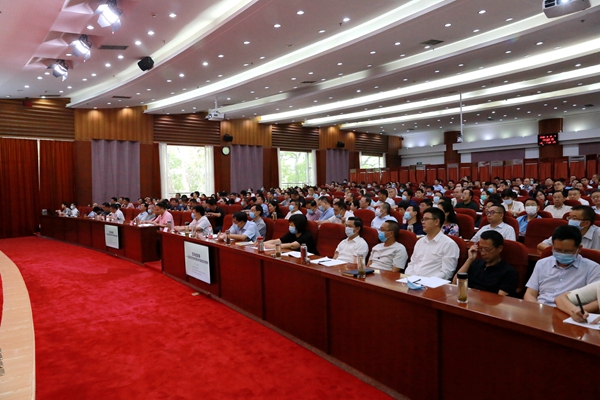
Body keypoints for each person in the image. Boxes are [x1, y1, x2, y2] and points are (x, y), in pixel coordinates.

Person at [525, 225, 600, 306]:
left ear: (579, 248)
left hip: (570, 310)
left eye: (568, 251)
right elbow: (530, 293)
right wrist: (535, 308)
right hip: (541, 307)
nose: (562, 254)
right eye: (558, 250)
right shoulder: (542, 263)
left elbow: (597, 301)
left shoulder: (593, 268)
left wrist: (577, 311)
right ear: (552, 247)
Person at [453, 231, 518, 296]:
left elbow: (500, 298)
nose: (483, 253)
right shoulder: (475, 263)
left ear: (499, 248)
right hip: (467, 297)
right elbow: (455, 283)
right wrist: (470, 259)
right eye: (481, 248)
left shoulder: (509, 272)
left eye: (487, 249)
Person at [405, 207, 460, 279]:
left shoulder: (449, 244)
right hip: (411, 280)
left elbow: (446, 272)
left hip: (431, 283)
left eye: (426, 219)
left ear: (436, 222)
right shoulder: (420, 241)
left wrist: (427, 281)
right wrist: (408, 278)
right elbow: (412, 264)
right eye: (422, 219)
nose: (423, 222)